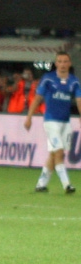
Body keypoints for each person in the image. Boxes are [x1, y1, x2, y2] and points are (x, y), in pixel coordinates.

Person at [24, 52, 81, 193]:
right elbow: (37, 98)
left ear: (69, 64)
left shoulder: (74, 81)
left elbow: (79, 100)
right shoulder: (48, 79)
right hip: (51, 122)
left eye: (65, 61)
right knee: (59, 152)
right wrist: (29, 117)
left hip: (65, 123)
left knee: (54, 154)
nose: (62, 64)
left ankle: (41, 184)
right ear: (56, 64)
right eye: (60, 61)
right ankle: (67, 185)